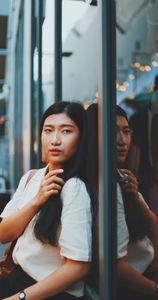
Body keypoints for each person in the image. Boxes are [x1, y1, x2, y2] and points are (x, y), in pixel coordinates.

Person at [86, 103, 158, 300]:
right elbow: (113, 265)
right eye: (112, 131)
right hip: (128, 288)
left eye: (126, 131)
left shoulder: (120, 177)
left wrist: (136, 199)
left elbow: (155, 233)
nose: (122, 141)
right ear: (94, 135)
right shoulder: (100, 184)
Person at [0, 101, 92, 300]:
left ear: (81, 138)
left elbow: (78, 267)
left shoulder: (74, 187)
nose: (55, 140)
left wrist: (20, 298)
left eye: (66, 131)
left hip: (46, 293)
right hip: (16, 280)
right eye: (48, 130)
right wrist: (37, 200)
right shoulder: (32, 177)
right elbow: (3, 233)